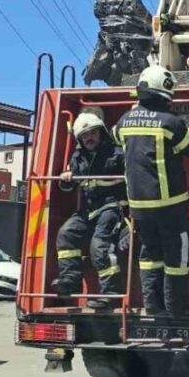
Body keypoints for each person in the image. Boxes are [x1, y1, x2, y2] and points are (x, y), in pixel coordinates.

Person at [112, 65, 189, 317]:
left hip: (139, 208)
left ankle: (152, 306)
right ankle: (175, 309)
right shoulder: (171, 122)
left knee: (150, 254)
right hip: (170, 205)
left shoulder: (124, 121)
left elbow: (117, 138)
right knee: (177, 256)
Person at [52, 107, 130, 307]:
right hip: (89, 210)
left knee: (99, 246)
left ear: (101, 132)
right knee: (66, 233)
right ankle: (70, 280)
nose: (89, 138)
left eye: (93, 133)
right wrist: (66, 179)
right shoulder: (77, 158)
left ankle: (111, 294)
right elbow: (68, 186)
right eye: (84, 136)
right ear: (79, 139)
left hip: (113, 207)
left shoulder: (117, 153)